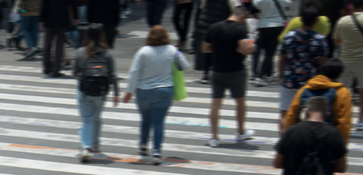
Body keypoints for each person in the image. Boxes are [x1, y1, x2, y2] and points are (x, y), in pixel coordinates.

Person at [124, 25, 189, 164]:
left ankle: (143, 145)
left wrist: (129, 91)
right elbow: (185, 65)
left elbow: (134, 72)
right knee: (158, 122)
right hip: (164, 91)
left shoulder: (143, 51)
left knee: (145, 119)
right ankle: (157, 152)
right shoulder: (172, 50)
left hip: (144, 91)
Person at [203, 6, 257, 147]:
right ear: (242, 17)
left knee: (215, 104)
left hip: (217, 71)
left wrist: (220, 48)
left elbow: (205, 48)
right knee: (240, 102)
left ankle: (214, 137)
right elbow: (246, 50)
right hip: (236, 71)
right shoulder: (240, 29)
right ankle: (240, 132)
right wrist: (252, 45)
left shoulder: (214, 27)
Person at [277, 4, 329, 133]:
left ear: (300, 19)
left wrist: (281, 75)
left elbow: (281, 58)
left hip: (289, 80)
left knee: (284, 113)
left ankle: (285, 142)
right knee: (309, 114)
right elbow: (322, 63)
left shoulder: (288, 36)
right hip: (309, 83)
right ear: (316, 21)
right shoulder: (320, 39)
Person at [333, 0, 363, 131]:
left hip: (345, 61)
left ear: (352, 7)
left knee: (343, 91)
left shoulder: (342, 20)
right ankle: (361, 120)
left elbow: (336, 41)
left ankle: (341, 118)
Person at [74, 23, 120, 162]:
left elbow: (75, 73)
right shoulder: (108, 52)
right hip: (101, 92)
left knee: (87, 119)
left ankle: (86, 147)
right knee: (97, 117)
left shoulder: (81, 52)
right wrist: (116, 93)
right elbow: (113, 75)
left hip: (85, 90)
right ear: (102, 35)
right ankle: (95, 144)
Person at [283, 58, 353, 143]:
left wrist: (290, 141)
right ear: (339, 75)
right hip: (326, 142)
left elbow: (291, 116)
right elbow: (344, 123)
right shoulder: (342, 92)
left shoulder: (304, 89)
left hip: (302, 140)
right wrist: (341, 148)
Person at [251, 0, 291, 86]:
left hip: (263, 26)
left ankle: (265, 73)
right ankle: (261, 75)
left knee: (265, 51)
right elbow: (289, 2)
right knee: (269, 53)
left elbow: (255, 4)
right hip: (277, 25)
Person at [193, 0, 231, 84]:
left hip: (206, 24)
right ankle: (218, 74)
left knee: (207, 51)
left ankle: (206, 75)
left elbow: (201, 7)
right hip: (220, 24)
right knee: (220, 50)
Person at [39, 0, 77, 77]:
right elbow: (73, 3)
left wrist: (41, 20)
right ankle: (56, 70)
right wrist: (75, 17)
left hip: (49, 20)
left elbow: (44, 5)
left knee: (47, 45)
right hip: (62, 20)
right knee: (59, 47)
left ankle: (47, 67)